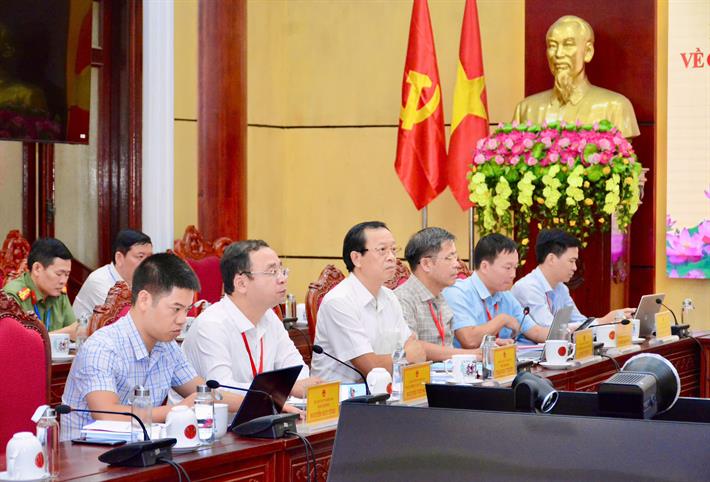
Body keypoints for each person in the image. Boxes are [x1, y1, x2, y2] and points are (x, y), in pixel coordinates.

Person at [59, 253, 246, 441]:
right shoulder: (101, 348)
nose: (182, 320)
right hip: (89, 454)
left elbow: (203, 392)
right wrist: (179, 410)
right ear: (144, 300)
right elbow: (108, 415)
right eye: (176, 309)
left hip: (143, 449)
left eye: (187, 310)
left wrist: (256, 402)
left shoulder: (167, 347)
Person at [181, 240, 321, 398]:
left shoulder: (269, 316)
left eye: (282, 270)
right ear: (241, 283)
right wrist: (284, 389)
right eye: (272, 272)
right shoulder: (211, 325)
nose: (282, 279)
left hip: (262, 411)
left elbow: (297, 371)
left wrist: (294, 386)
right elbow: (222, 390)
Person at [311, 221, 426, 383]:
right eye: (382, 250)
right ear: (356, 258)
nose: (392, 258)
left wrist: (406, 355)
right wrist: (407, 356)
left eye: (393, 250)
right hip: (343, 395)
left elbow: (415, 348)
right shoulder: (339, 302)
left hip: (384, 390)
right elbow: (372, 368)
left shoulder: (389, 296)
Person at [512, 15, 639, 139]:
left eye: (568, 45)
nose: (558, 54)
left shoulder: (615, 106)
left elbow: (622, 151)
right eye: (552, 45)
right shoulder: (526, 109)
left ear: (588, 52)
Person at [443, 234, 548, 348]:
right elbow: (470, 340)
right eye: (508, 268)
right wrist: (502, 320)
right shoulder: (457, 292)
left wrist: (562, 335)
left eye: (515, 268)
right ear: (484, 267)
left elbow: (536, 332)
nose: (513, 275)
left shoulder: (506, 296)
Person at [512, 229, 633, 327]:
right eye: (571, 261)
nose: (575, 268)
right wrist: (603, 321)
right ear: (551, 259)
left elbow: (579, 321)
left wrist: (610, 321)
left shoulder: (561, 288)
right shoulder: (527, 288)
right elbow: (550, 329)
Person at [394, 227, 482, 360]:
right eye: (449, 258)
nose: (458, 264)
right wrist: (472, 354)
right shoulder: (402, 299)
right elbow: (411, 346)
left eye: (456, 257)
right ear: (426, 264)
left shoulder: (440, 295)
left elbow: (447, 346)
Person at [3, 238, 77, 337]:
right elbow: (16, 341)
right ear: (37, 268)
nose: (63, 281)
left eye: (67, 275)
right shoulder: (13, 295)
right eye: (59, 274)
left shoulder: (59, 292)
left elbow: (75, 330)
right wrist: (61, 334)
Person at [72, 229, 153, 319]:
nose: (148, 263)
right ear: (119, 258)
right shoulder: (99, 280)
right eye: (140, 256)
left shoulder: (142, 281)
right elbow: (124, 320)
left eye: (149, 257)